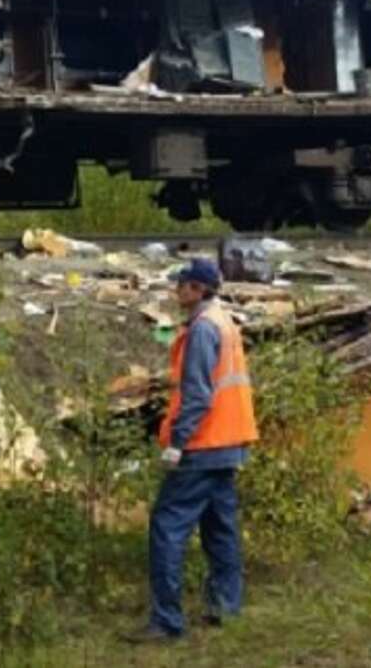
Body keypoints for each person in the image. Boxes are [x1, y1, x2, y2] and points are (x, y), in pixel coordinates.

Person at [128, 257, 259, 644]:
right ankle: (225, 607)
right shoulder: (225, 322)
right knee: (220, 529)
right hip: (230, 442)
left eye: (182, 284)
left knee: (168, 526)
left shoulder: (203, 329)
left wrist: (178, 443)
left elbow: (199, 395)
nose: (176, 289)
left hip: (202, 444)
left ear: (198, 289)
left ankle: (166, 622)